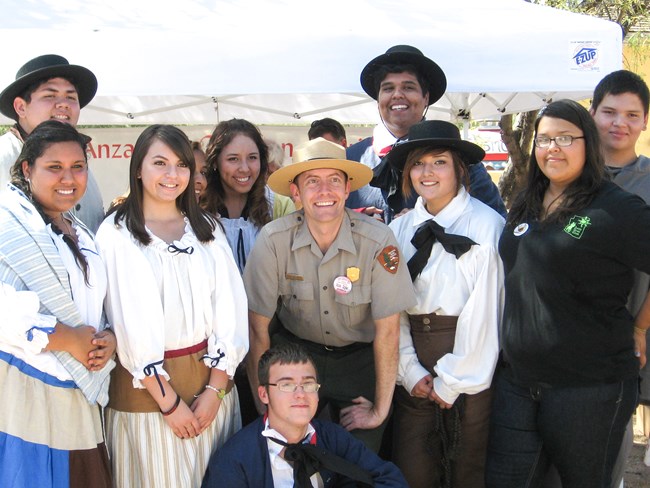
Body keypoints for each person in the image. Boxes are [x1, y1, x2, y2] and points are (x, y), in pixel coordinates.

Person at [485, 99, 650, 488]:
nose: (552, 148)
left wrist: (641, 328)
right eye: (543, 140)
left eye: (565, 138)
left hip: (588, 388)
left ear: (588, 144)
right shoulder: (525, 202)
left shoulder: (616, 208)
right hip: (518, 382)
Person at [95, 124, 248, 487]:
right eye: (160, 163)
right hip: (147, 395)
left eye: (181, 165)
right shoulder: (116, 234)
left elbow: (230, 308)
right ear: (138, 169)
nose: (172, 175)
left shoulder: (207, 228)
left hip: (213, 389)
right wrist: (169, 403)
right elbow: (129, 323)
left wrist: (215, 391)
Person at [244, 137, 417, 452]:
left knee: (359, 459)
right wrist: (265, 407)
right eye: (312, 182)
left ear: (348, 188)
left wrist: (380, 409)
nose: (324, 191)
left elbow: (388, 331)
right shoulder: (273, 241)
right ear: (295, 191)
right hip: (295, 358)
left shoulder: (378, 241)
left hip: (359, 361)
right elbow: (258, 330)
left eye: (334, 180)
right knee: (288, 454)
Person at [386, 120, 504, 487]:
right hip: (414, 371)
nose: (427, 172)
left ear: (458, 169)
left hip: (470, 369)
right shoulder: (398, 231)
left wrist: (450, 382)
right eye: (419, 164)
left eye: (439, 162)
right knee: (413, 469)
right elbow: (392, 309)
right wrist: (410, 370)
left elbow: (486, 313)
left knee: (466, 469)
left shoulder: (487, 226)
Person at [0, 120, 115, 487]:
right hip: (22, 395)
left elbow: (98, 309)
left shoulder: (83, 234)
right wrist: (67, 338)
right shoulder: (8, 224)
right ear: (26, 169)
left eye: (77, 167)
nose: (68, 177)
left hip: (79, 396)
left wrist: (108, 339)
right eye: (54, 167)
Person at [202, 343, 409, 487]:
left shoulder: (333, 437)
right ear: (264, 394)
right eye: (287, 385)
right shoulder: (234, 459)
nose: (300, 394)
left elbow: (389, 478)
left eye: (308, 384)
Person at [346, 45, 506, 222]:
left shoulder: (461, 160)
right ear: (378, 99)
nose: (397, 95)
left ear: (426, 98)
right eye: (388, 88)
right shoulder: (349, 161)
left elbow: (495, 222)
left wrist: (433, 222)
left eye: (408, 87)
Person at [590, 69, 650, 488]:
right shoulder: (570, 174)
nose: (619, 123)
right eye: (609, 111)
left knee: (615, 422)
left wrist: (640, 327)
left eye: (631, 114)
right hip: (575, 327)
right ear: (591, 114)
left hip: (634, 326)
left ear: (645, 121)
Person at [0, 54, 105, 232]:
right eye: (50, 95)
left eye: (71, 97)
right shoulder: (3, 156)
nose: (63, 104)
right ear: (21, 107)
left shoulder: (81, 162)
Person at [202, 119, 294, 274]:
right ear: (215, 162)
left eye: (252, 157)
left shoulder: (280, 206)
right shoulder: (197, 207)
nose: (244, 168)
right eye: (233, 159)